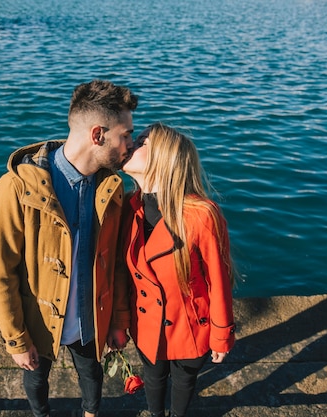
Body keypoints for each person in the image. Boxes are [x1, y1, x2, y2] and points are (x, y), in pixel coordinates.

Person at [0, 79, 138, 417]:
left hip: (90, 319)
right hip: (38, 321)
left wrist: (118, 319)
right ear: (97, 135)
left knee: (92, 375)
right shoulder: (14, 189)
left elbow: (115, 265)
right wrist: (16, 339)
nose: (131, 144)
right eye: (124, 135)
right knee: (36, 379)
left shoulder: (112, 187)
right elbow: (1, 274)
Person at [120, 122, 236, 417]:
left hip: (190, 329)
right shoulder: (128, 208)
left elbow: (219, 281)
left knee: (184, 380)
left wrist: (221, 334)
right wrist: (118, 322)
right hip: (146, 326)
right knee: (154, 378)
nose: (133, 142)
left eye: (144, 141)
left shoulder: (200, 215)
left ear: (165, 158)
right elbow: (122, 278)